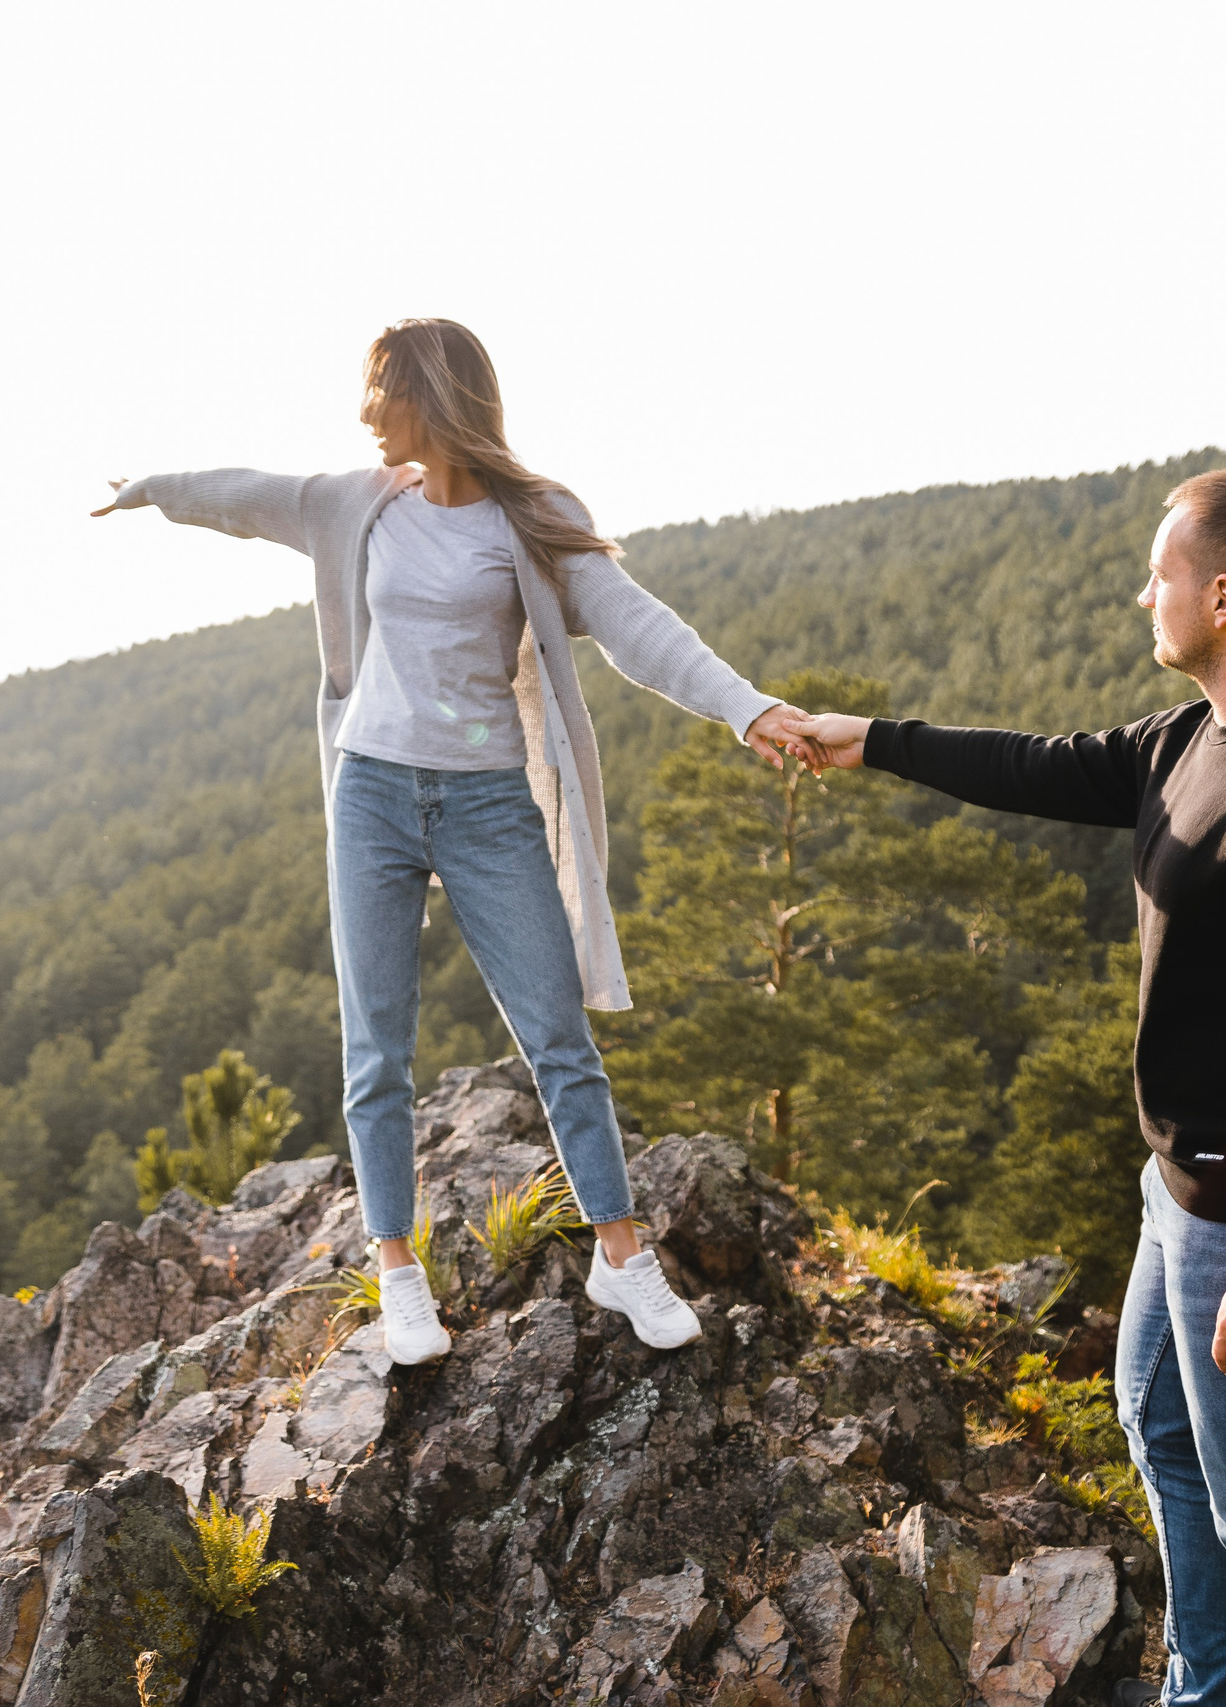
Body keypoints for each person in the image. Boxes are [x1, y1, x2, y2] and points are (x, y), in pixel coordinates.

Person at [782, 468, 1226, 1707]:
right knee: (1159, 1426)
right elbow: (1040, 765)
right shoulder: (1189, 739)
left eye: (1161, 575)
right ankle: (1206, 1688)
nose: (1143, 595)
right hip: (1182, 1194)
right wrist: (867, 744)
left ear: (1223, 596)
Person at [93, 318, 808, 1368]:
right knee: (375, 1048)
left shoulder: (533, 517)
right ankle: (398, 1274)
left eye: (377, 390)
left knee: (558, 1038)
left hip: (486, 805)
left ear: (427, 394)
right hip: (372, 793)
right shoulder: (356, 505)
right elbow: (245, 497)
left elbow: (633, 622)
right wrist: (154, 485)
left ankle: (620, 1252)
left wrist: (747, 710)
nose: (364, 412)